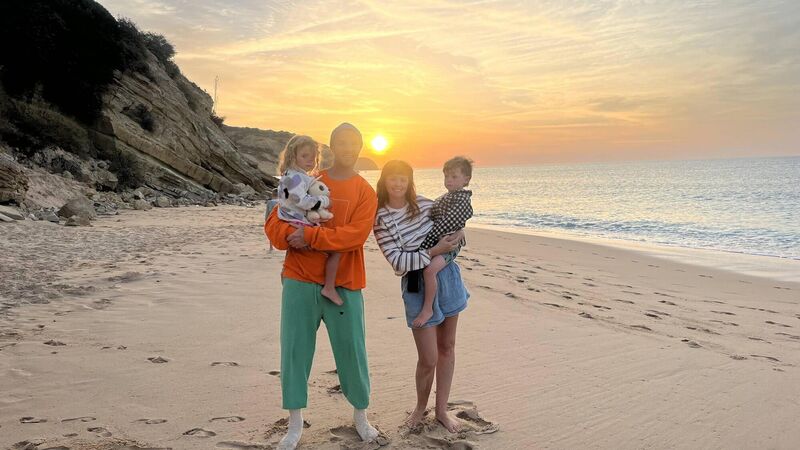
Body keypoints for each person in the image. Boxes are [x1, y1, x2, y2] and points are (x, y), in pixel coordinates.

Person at [265, 123, 379, 450]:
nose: (348, 148)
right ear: (332, 146)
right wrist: (293, 235)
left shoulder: (365, 191)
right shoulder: (307, 181)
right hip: (300, 277)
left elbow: (355, 236)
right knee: (294, 351)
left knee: (352, 351)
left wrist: (311, 236)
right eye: (342, 142)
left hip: (345, 282)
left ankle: (361, 417)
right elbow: (275, 227)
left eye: (354, 143)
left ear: (360, 147)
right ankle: (294, 424)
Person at [372, 160, 470, 433]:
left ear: (410, 181)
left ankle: (441, 411)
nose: (398, 183)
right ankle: (419, 408)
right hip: (416, 284)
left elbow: (456, 232)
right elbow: (397, 262)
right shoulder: (380, 218)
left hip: (447, 276)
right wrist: (434, 251)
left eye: (403, 178)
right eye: (393, 178)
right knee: (428, 358)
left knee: (447, 346)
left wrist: (458, 236)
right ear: (384, 181)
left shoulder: (427, 205)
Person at [274, 134, 343, 305]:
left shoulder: (293, 175)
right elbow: (303, 201)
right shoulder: (295, 177)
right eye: (304, 156)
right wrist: (325, 201)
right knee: (335, 250)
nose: (310, 160)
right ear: (293, 156)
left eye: (313, 157)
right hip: (295, 220)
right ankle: (329, 287)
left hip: (292, 218)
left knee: (307, 248)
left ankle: (287, 273)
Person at [411, 156, 474, 327]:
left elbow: (447, 223)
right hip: (439, 242)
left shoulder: (462, 200)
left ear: (466, 179)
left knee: (429, 271)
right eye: (446, 176)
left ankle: (428, 309)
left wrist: (427, 241)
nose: (448, 180)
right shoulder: (447, 197)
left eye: (454, 176)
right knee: (422, 267)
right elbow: (432, 216)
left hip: (449, 246)